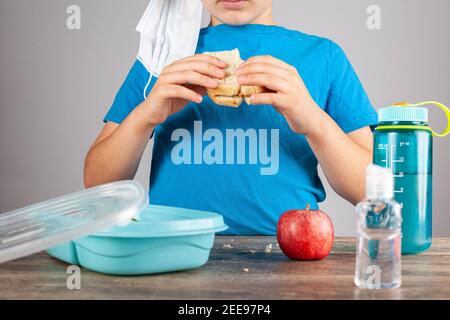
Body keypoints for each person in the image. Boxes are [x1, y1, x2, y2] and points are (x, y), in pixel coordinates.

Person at [84, 0, 378, 235]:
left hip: (290, 258)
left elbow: (369, 192)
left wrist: (314, 120)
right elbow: (98, 183)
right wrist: (146, 115)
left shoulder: (323, 57)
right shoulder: (161, 57)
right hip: (171, 253)